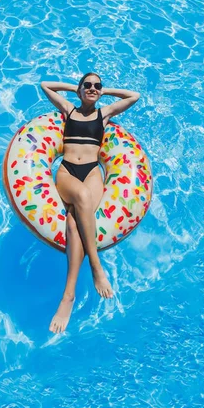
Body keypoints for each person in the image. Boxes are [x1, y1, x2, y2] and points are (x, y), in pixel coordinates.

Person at [40, 73, 140, 333]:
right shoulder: (69, 109)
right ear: (80, 89)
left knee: (74, 224)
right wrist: (74, 88)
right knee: (82, 198)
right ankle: (96, 267)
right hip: (68, 172)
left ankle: (68, 296)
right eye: (88, 86)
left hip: (93, 172)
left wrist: (105, 92)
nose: (93, 89)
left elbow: (134, 96)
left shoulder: (104, 114)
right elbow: (45, 86)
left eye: (97, 86)